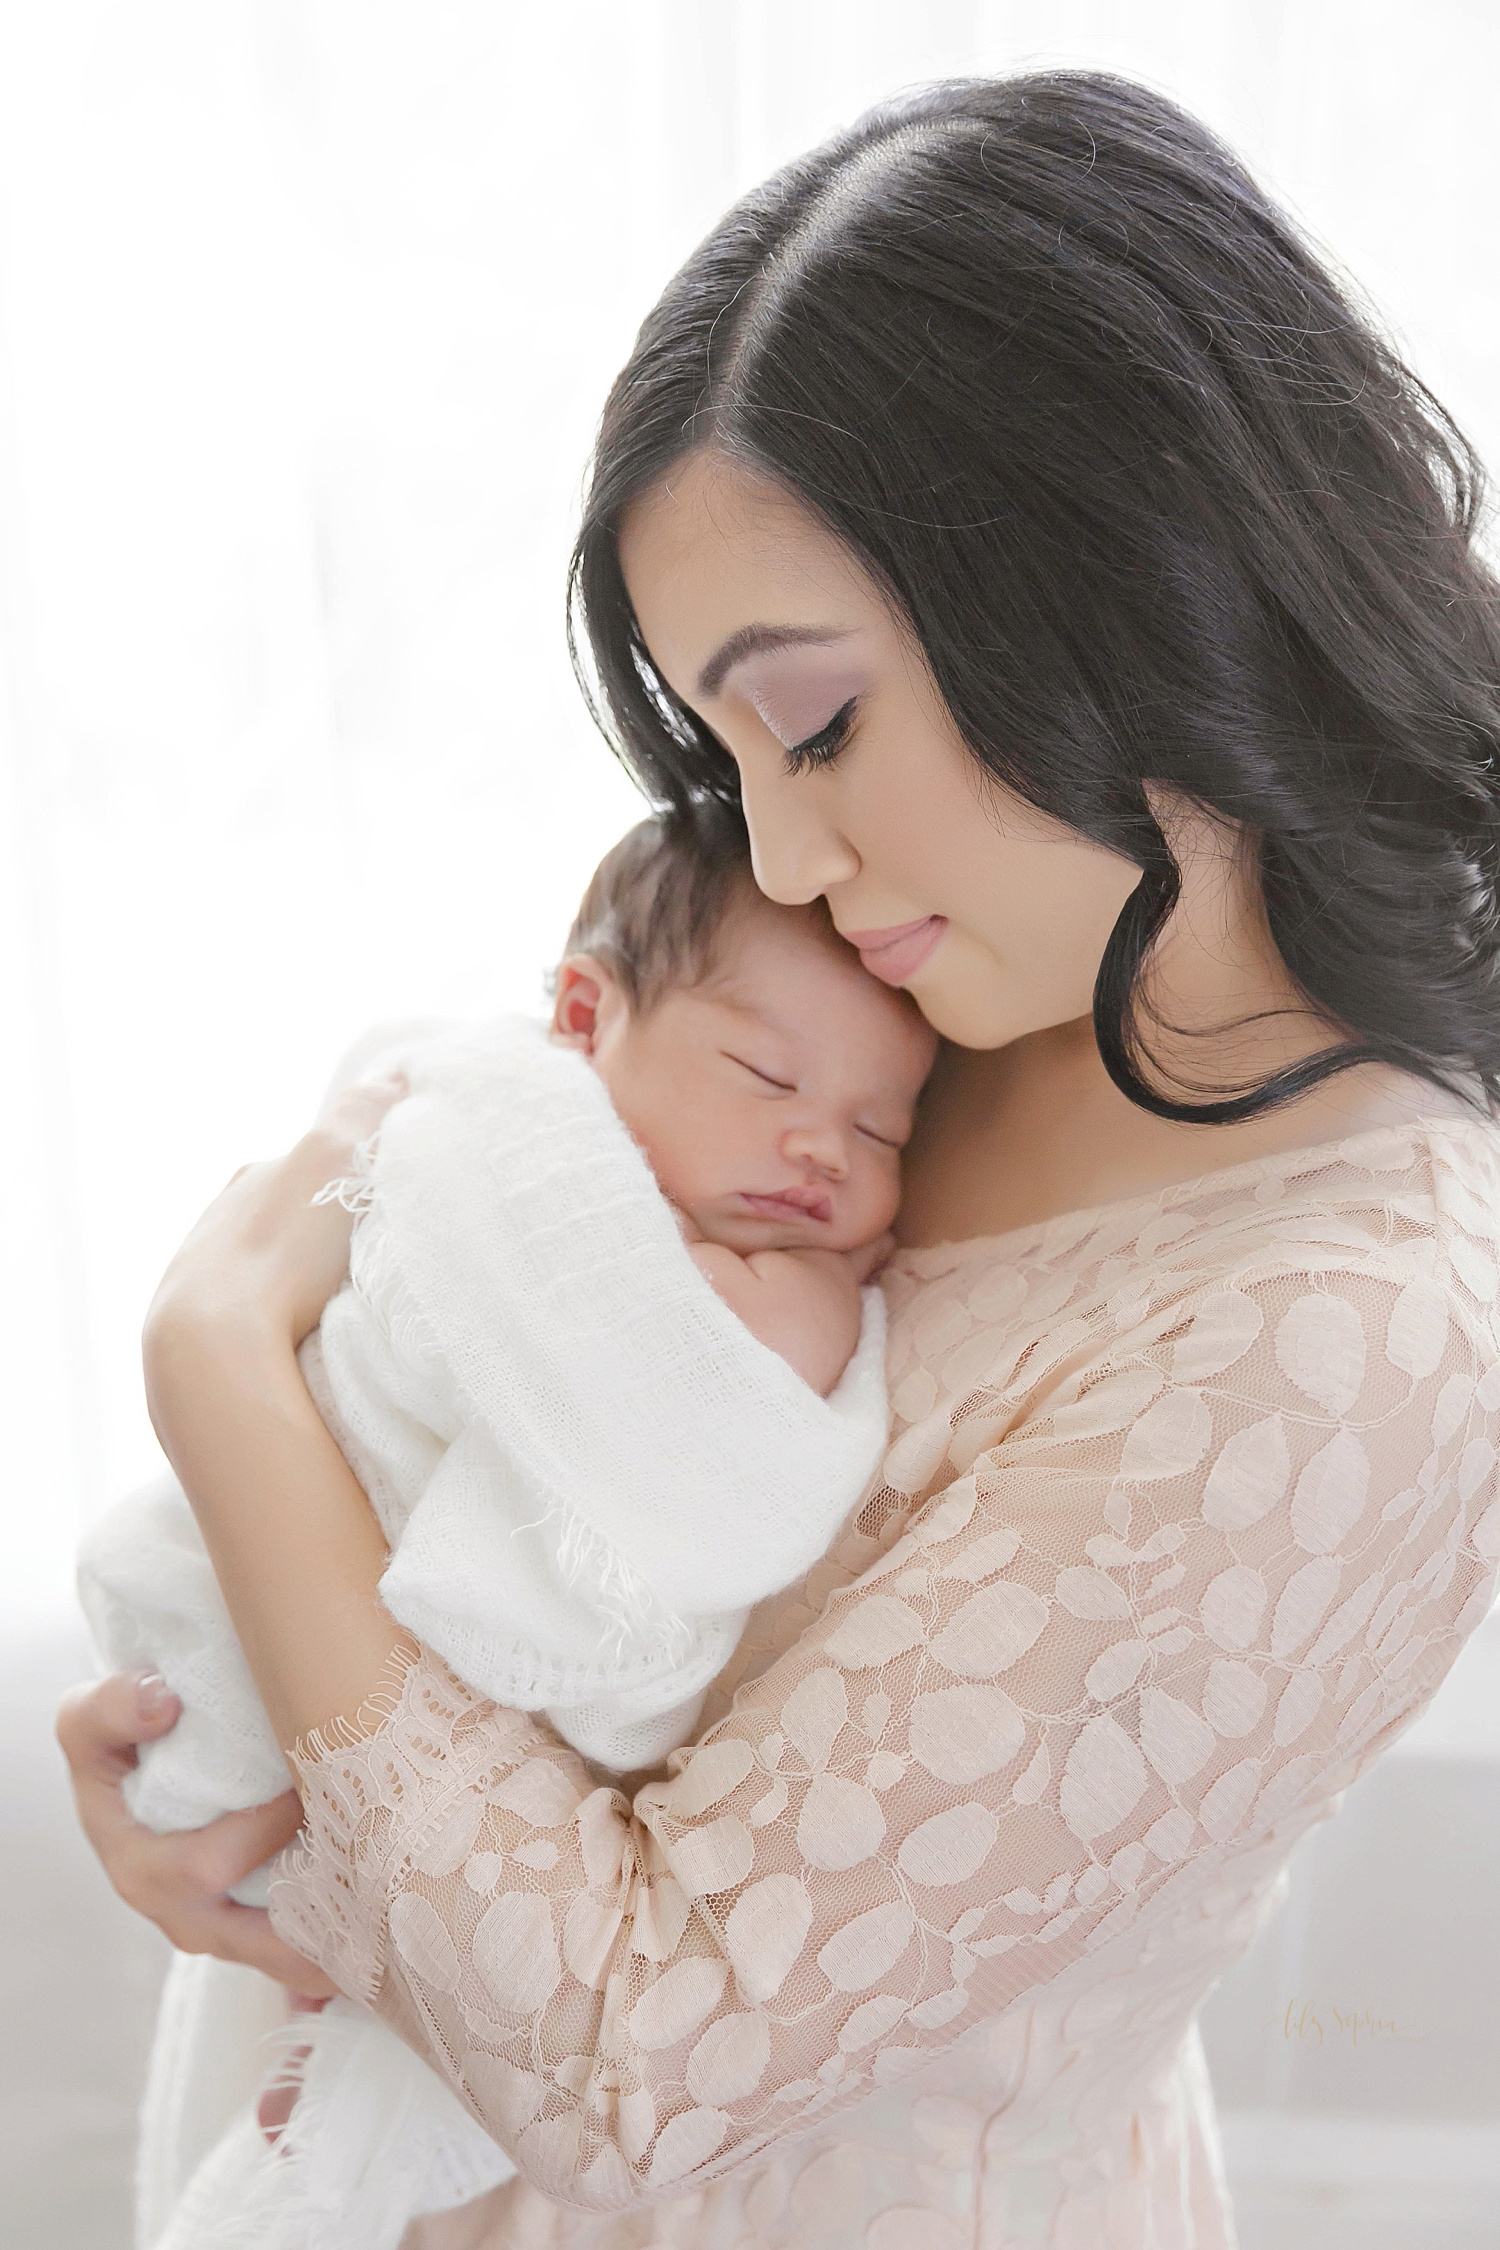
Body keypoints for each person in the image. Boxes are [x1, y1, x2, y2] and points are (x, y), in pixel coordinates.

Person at [59, 70, 1500, 2249]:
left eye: (817, 725)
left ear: (1117, 571)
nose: (795, 852)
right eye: (729, 754)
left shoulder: (1350, 1338)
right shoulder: (946, 992)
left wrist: (217, 1384)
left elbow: (642, 2062)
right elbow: (426, 1191)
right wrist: (236, 1745)